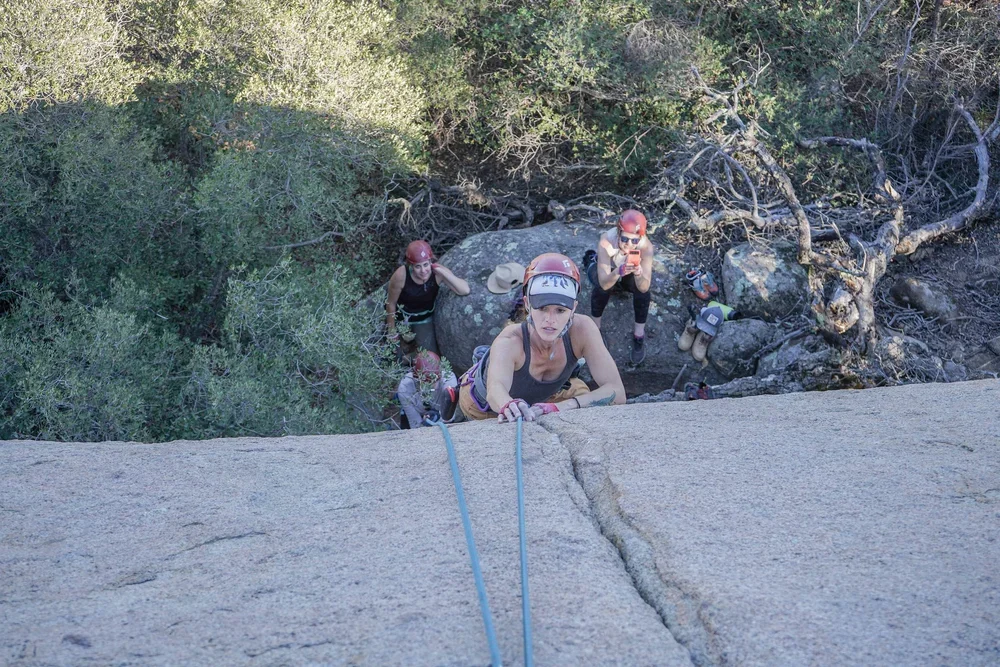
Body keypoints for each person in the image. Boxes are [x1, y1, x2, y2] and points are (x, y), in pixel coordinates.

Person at [458, 253, 626, 424]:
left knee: (579, 389)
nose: (550, 320)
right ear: (527, 304)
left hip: (546, 395)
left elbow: (617, 391)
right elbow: (495, 389)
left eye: (560, 310)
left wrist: (563, 406)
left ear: (573, 308)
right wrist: (508, 405)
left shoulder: (583, 329)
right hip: (483, 406)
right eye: (542, 308)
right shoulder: (510, 341)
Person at [582, 209, 655, 364]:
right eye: (625, 239)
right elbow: (604, 282)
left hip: (628, 274)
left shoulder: (646, 247)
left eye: (634, 241)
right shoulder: (606, 241)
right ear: (618, 232)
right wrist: (617, 272)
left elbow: (644, 287)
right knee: (600, 287)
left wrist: (638, 274)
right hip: (611, 270)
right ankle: (596, 329)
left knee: (643, 292)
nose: (629, 245)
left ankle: (638, 335)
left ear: (640, 239)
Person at [385, 240, 470, 356]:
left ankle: (410, 358)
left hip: (423, 319)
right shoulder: (401, 275)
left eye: (426, 264)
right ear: (411, 266)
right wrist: (392, 331)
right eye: (418, 267)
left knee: (429, 357)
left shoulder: (437, 272)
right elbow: (391, 303)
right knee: (392, 355)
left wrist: (442, 273)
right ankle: (405, 353)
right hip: (402, 317)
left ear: (430, 261)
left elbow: (464, 290)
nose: (423, 271)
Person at [396, 350, 458, 428]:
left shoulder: (449, 381)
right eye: (425, 383)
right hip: (419, 413)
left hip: (441, 414)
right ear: (416, 378)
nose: (430, 386)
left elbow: (449, 418)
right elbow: (415, 423)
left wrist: (438, 421)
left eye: (433, 382)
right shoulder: (405, 388)